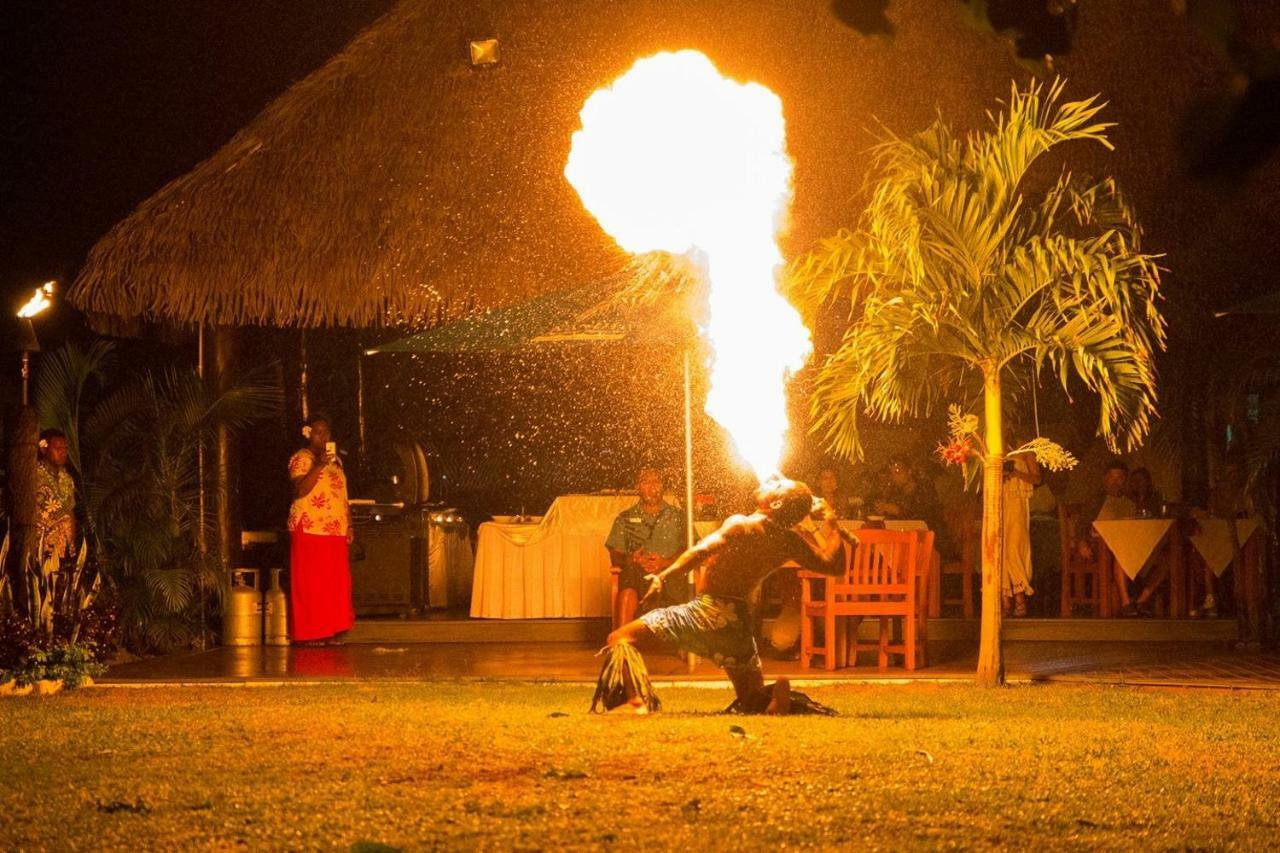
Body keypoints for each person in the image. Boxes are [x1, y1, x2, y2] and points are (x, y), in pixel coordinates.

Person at [595, 476, 846, 715]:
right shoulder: (790, 541)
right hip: (738, 624)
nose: (771, 480)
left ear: (776, 503)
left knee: (620, 637)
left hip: (707, 611)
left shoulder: (742, 524)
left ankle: (634, 701)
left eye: (777, 484)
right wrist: (831, 521)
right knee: (750, 698)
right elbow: (834, 566)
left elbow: (700, 551)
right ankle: (772, 701)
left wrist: (663, 576)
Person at [287, 413, 355, 645]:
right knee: (311, 583)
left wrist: (349, 523)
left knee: (335, 583)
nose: (323, 436)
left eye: (326, 432)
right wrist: (320, 465)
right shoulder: (301, 458)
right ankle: (310, 633)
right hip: (310, 526)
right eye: (318, 432)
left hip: (334, 529)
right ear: (308, 434)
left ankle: (335, 630)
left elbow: (342, 495)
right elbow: (300, 490)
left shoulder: (337, 462)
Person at [605, 467, 687, 627]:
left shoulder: (679, 517)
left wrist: (666, 562)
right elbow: (615, 554)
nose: (652, 487)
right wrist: (632, 558)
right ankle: (621, 644)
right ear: (637, 487)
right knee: (629, 573)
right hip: (638, 575)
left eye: (656, 481)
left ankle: (684, 640)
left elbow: (692, 548)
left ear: (663, 486)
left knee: (679, 573)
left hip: (671, 574)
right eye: (646, 482)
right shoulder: (625, 518)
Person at [1082, 460, 1165, 616]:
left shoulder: (1131, 501)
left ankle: (1142, 599)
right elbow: (1082, 524)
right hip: (1102, 547)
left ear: (1125, 480)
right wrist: (1081, 542)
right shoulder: (1097, 500)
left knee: (1164, 560)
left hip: (1130, 545)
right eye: (1112, 477)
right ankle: (1126, 602)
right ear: (1105, 478)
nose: (1115, 482)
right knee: (1122, 554)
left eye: (1119, 478)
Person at [1001, 450, 1041, 617]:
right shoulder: (992, 447)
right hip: (999, 501)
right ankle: (1005, 599)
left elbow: (1037, 478)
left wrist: (1016, 473)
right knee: (1001, 551)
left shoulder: (1025, 450)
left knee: (1014, 548)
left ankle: (1019, 595)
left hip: (1017, 502)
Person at [34, 428, 76, 563]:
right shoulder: (33, 476)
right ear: (44, 449)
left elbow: (70, 512)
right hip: (40, 549)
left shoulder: (67, 479)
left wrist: (71, 544)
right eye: (57, 448)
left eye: (65, 448)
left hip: (64, 549)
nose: (63, 452)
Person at [869, 457, 942, 531]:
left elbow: (927, 519)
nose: (894, 477)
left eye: (898, 471)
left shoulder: (924, 490)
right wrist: (883, 511)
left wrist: (898, 511)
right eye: (891, 473)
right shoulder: (895, 493)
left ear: (909, 471)